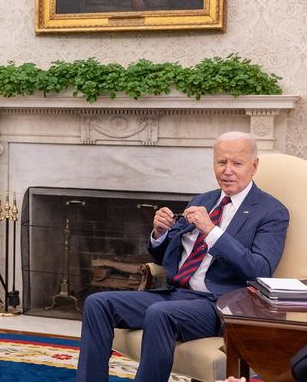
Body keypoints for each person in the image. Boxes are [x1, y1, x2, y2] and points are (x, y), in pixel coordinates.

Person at [76, 131, 289, 382]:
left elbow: (260, 269)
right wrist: (159, 233)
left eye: (237, 163)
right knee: (97, 303)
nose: (227, 170)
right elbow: (164, 256)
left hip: (218, 304)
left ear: (254, 166)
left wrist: (212, 231)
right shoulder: (203, 200)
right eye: (222, 162)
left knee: (160, 313)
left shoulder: (272, 211)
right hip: (176, 294)